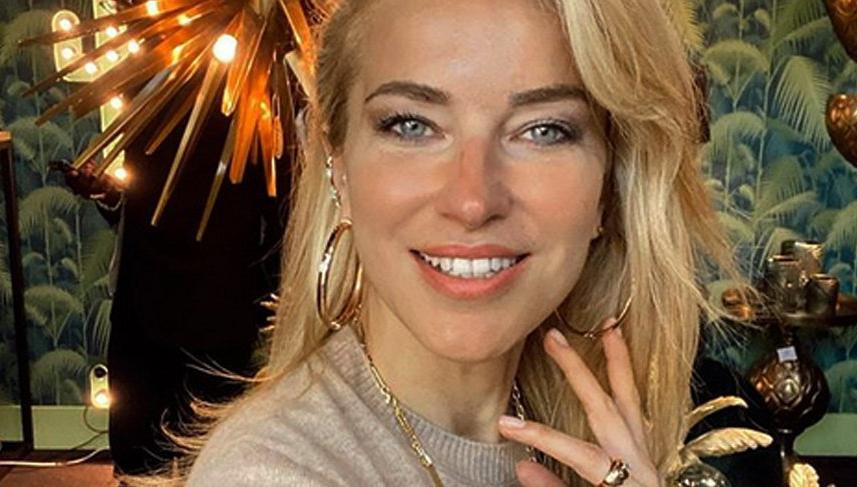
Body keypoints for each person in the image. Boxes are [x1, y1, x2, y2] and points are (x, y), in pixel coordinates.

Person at [170, 0, 751, 485]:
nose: (473, 202)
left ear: (610, 185)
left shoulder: (578, 433)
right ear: (337, 165)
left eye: (543, 130)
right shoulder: (272, 472)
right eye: (411, 125)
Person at [64, 99, 285, 478]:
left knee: (212, 452)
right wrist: (110, 194)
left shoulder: (257, 103)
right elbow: (142, 203)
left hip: (217, 308)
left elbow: (278, 215)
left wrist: (267, 300)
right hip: (150, 302)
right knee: (143, 450)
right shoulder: (148, 98)